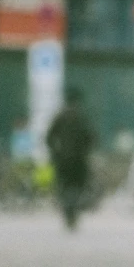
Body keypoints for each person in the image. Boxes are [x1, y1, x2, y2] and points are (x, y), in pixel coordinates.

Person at [46, 87, 97, 231]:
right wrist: (86, 151)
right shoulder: (82, 117)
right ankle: (72, 214)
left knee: (64, 187)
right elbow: (91, 137)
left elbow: (49, 137)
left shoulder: (60, 117)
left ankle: (68, 214)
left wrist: (55, 152)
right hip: (79, 159)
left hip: (63, 159)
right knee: (78, 187)